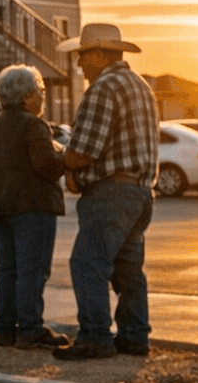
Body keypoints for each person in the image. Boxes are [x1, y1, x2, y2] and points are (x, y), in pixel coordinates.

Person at [53, 23, 160, 361]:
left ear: (99, 54)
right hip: (140, 192)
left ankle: (95, 336)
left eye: (82, 56)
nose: (79, 65)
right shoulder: (139, 86)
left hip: (111, 193)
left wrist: (66, 164)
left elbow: (83, 150)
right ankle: (134, 336)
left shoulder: (103, 88)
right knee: (128, 268)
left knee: (88, 264)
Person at [0, 65, 70, 351]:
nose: (43, 97)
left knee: (7, 270)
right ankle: (30, 328)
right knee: (32, 270)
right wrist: (65, 156)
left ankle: (5, 329)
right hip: (33, 206)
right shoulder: (33, 125)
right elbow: (47, 167)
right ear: (29, 95)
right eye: (41, 92)